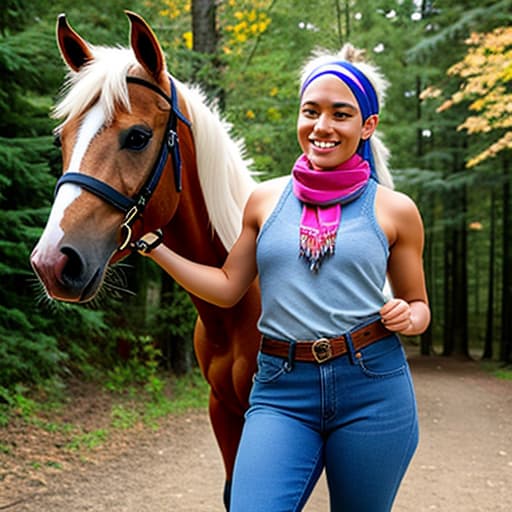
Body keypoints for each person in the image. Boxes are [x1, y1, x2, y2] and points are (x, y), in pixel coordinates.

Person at [134, 43, 430, 512]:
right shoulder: (265, 201)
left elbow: (419, 305)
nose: (322, 126)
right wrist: (159, 250)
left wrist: (408, 316)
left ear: (367, 126)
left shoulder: (395, 210)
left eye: (341, 114)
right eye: (311, 111)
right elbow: (229, 286)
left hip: (371, 386)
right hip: (281, 388)